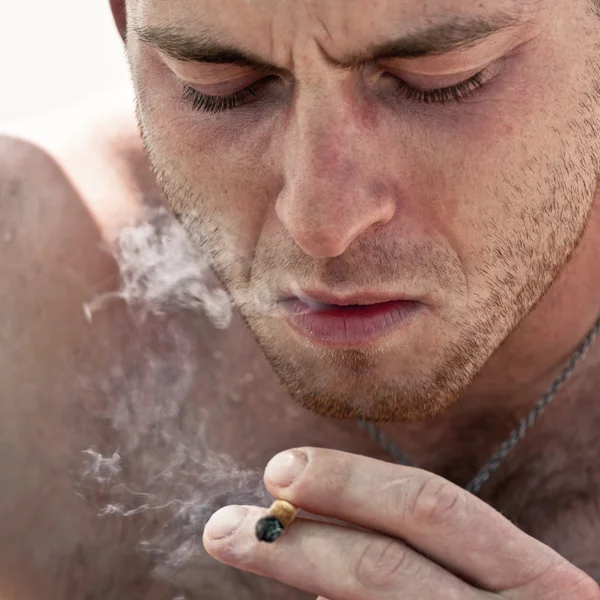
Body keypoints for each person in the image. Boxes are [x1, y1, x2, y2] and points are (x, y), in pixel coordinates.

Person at [1, 0, 600, 598]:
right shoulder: (20, 280)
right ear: (124, 21)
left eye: (439, 81)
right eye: (219, 84)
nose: (321, 225)